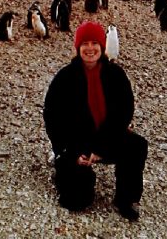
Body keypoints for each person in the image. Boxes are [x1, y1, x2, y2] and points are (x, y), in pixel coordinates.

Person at [43, 21, 148, 221]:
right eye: (85, 44)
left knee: (137, 146)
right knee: (76, 202)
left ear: (102, 46)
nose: (90, 48)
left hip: (105, 139)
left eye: (94, 43)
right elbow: (52, 116)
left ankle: (125, 199)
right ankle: (66, 171)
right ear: (77, 48)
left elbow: (124, 113)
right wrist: (68, 151)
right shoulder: (65, 77)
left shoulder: (116, 75)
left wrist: (100, 149)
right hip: (76, 144)